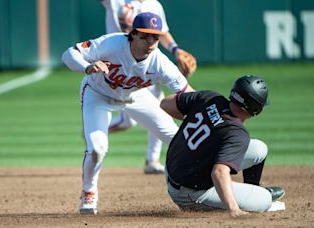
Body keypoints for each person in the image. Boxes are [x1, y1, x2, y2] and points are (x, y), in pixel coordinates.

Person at [61, 12, 194, 215]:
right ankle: (89, 192)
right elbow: (69, 54)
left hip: (136, 96)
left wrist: (210, 111)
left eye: (155, 37)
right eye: (145, 36)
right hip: (98, 94)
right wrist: (87, 67)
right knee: (97, 149)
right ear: (132, 34)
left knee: (177, 139)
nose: (151, 42)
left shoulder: (161, 63)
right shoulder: (112, 44)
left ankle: (192, 186)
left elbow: (188, 94)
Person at [160, 75, 285, 217]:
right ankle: (256, 196)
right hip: (190, 193)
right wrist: (233, 209)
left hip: (173, 169)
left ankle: (251, 190)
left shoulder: (209, 97)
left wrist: (202, 119)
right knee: (265, 200)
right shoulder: (237, 133)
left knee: (259, 149)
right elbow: (219, 173)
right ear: (256, 108)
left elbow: (165, 103)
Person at [100, 0, 197, 174]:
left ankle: (152, 159)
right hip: (120, 65)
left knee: (160, 109)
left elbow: (163, 32)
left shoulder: (154, 5)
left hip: (148, 64)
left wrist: (176, 50)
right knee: (127, 122)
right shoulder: (117, 1)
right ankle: (97, 128)